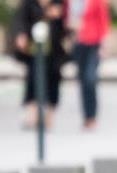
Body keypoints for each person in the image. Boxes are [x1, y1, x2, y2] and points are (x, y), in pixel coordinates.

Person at [12, 0, 68, 129]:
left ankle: (49, 117)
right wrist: (21, 35)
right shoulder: (29, 3)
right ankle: (33, 115)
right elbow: (20, 20)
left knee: (53, 80)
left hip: (54, 50)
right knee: (32, 79)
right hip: (34, 50)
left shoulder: (59, 3)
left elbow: (66, 25)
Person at [68, 0, 110, 130]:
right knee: (82, 80)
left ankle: (92, 116)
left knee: (90, 78)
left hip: (93, 43)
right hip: (78, 43)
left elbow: (103, 20)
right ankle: (86, 116)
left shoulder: (97, 1)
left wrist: (104, 44)